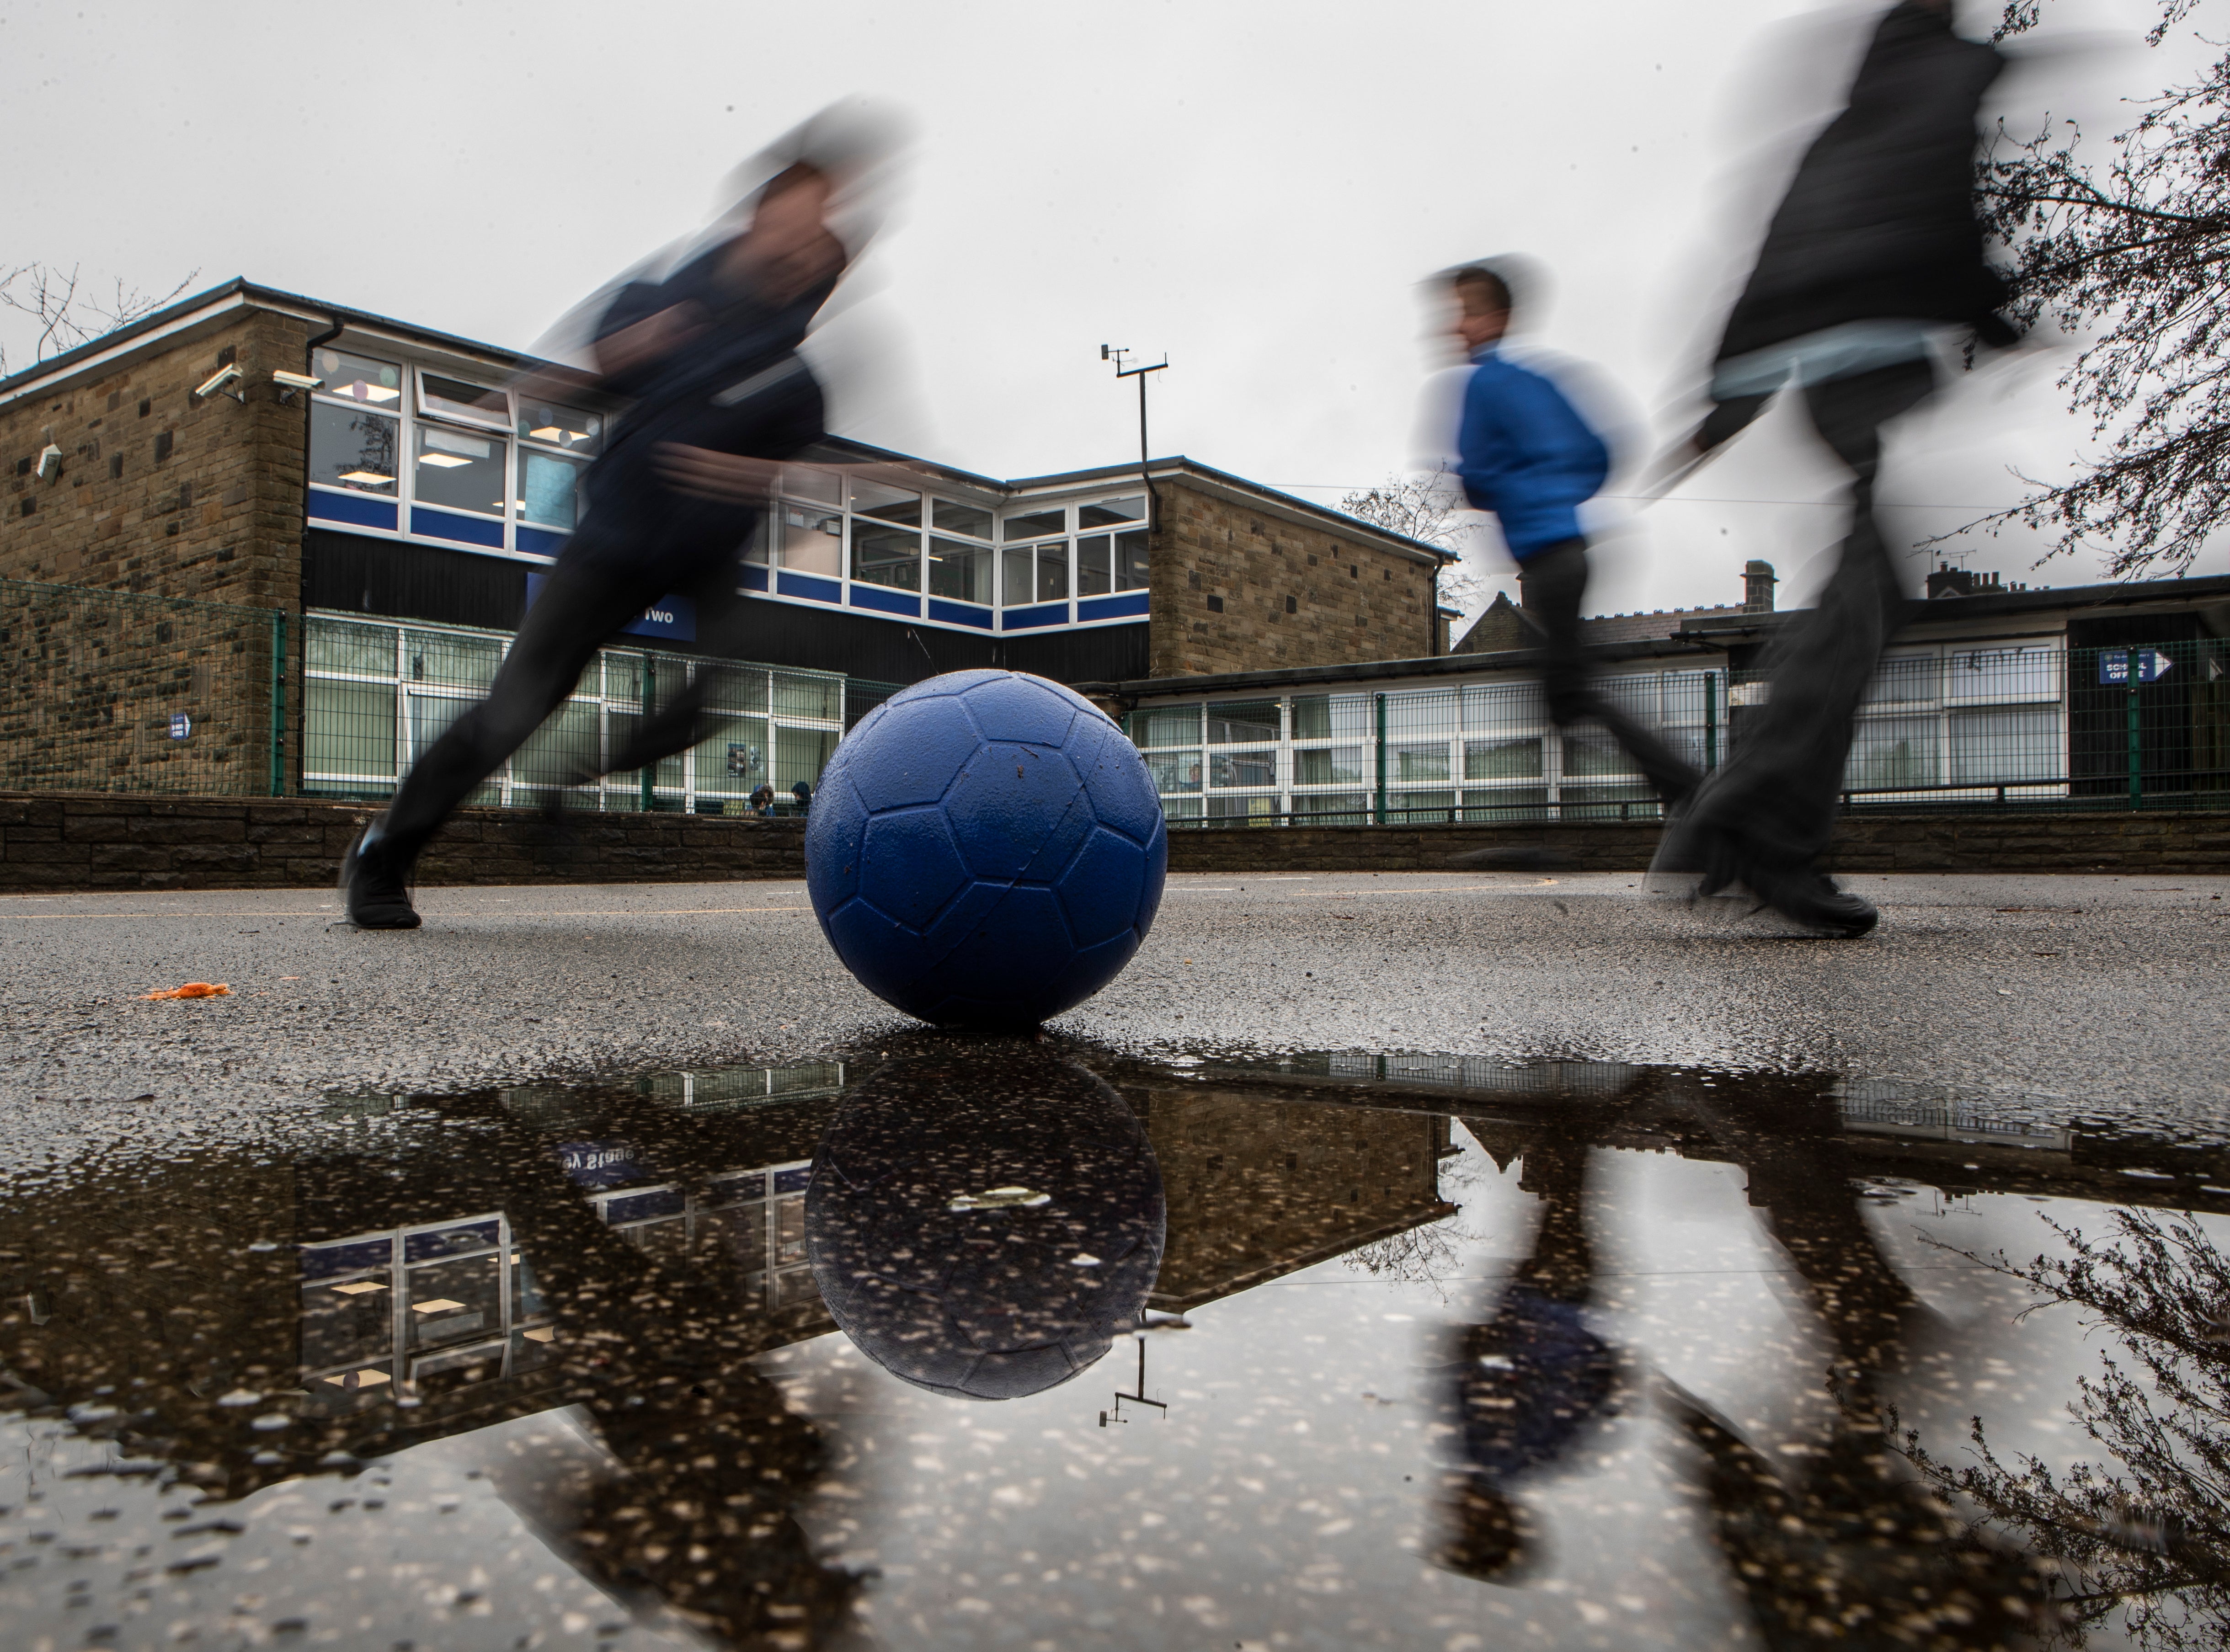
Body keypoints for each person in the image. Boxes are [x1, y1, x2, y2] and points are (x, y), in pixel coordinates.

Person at [341, 106, 904, 929]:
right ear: (761, 214)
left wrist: (753, 473)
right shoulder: (670, 294)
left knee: (721, 686)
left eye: (823, 247)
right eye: (797, 223)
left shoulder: (794, 378)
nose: (805, 253)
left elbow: (809, 473)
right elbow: (592, 363)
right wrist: (524, 393)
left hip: (708, 551)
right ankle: (384, 852)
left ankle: (569, 776)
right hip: (614, 538)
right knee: (512, 708)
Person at [1649, 0, 2016, 937]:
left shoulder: (1843, 126)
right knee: (1870, 590)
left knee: (1866, 589)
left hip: (1816, 370)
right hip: (1871, 358)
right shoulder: (1950, 77)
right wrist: (1990, 311)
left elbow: (1771, 256)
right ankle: (1757, 821)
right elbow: (1947, 206)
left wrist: (1722, 407)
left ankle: (1740, 813)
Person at [1440, 265, 1703, 817]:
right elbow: (1601, 453)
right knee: (1560, 694)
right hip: (1570, 555)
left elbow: (1477, 477)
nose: (1454, 327)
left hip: (1550, 559)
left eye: (1464, 312)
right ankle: (1549, 832)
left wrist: (1517, 493)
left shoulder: (1486, 383)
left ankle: (1692, 792)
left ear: (1496, 318)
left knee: (1574, 693)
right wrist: (1555, 490)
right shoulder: (1540, 383)